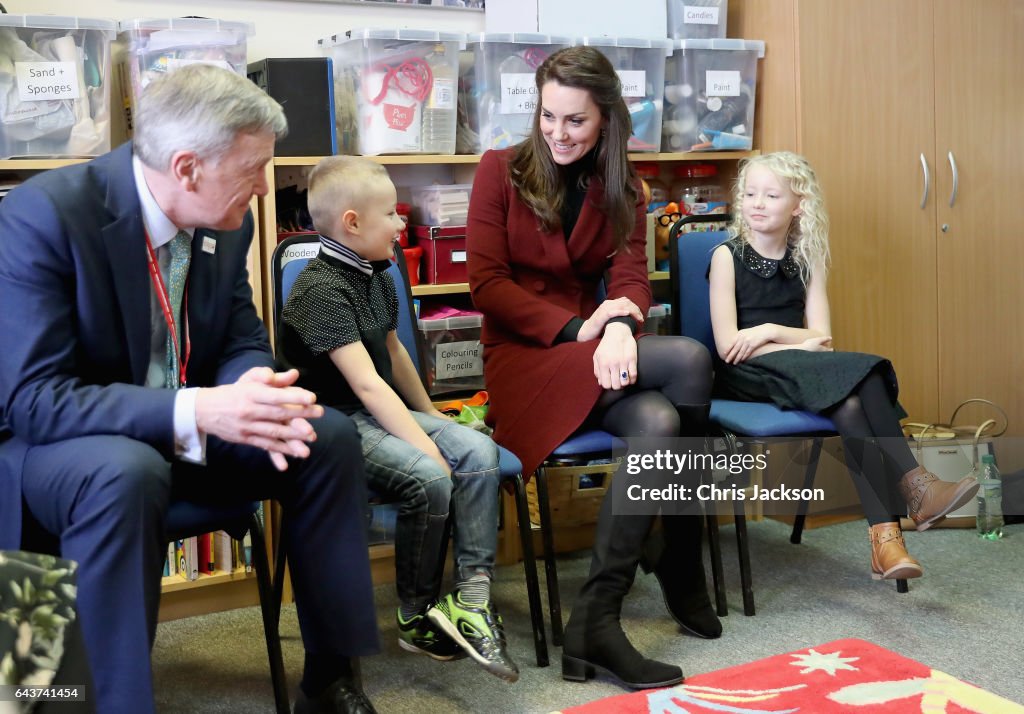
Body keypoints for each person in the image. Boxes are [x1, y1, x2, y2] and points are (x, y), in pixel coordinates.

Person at [0, 65, 379, 714]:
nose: (264, 188)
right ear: (187, 168)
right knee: (125, 470)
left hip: (187, 427)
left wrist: (251, 385)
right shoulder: (44, 216)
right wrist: (201, 407)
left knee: (324, 435)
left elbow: (240, 340)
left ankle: (331, 678)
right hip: (60, 443)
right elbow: (35, 399)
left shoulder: (227, 222)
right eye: (253, 168)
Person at [466, 46, 719, 691]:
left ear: (606, 117)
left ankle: (595, 620)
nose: (558, 132)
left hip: (596, 352)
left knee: (658, 421)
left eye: (575, 120)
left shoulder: (623, 185)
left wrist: (619, 326)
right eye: (548, 116)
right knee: (690, 359)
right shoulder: (499, 171)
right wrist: (583, 329)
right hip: (526, 358)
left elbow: (631, 276)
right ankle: (680, 550)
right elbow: (487, 285)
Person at [277, 156, 518, 682]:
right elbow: (365, 385)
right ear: (352, 223)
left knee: (479, 450)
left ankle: (471, 599)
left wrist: (432, 416)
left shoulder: (377, 272)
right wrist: (428, 447)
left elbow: (393, 350)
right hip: (336, 423)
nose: (400, 224)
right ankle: (416, 614)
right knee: (429, 477)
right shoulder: (319, 290)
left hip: (378, 410)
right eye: (390, 214)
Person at [708, 151, 980, 580]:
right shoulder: (727, 256)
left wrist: (769, 332)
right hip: (745, 373)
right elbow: (729, 347)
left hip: (798, 365)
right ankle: (916, 487)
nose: (757, 203)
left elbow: (823, 336)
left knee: (851, 405)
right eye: (750, 194)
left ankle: (887, 544)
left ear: (798, 205)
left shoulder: (808, 256)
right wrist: (792, 341)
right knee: (868, 369)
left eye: (771, 195)